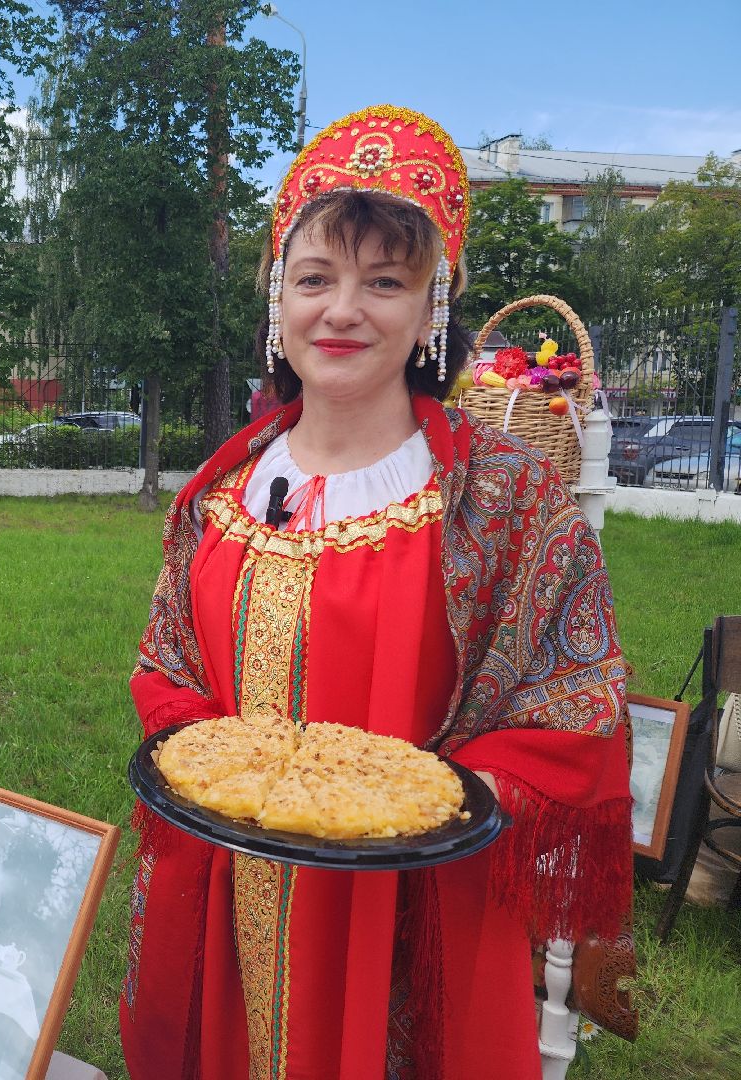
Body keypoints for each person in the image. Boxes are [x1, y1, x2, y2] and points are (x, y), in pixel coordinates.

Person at [122, 105, 632, 1080]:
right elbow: (166, 663)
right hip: (230, 892)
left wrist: (449, 800)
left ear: (430, 304)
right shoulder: (222, 490)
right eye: (315, 278)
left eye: (383, 282)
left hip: (409, 912)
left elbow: (577, 694)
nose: (342, 310)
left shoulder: (506, 498)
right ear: (281, 299)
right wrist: (210, 756)